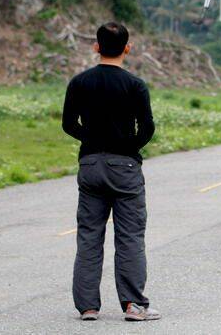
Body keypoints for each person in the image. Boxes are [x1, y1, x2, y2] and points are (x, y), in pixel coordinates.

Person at [62, 22, 160, 322]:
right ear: (127, 49)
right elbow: (147, 128)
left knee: (89, 235)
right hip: (125, 167)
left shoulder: (79, 82)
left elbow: (68, 124)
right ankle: (133, 305)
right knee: (129, 235)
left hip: (90, 164)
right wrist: (127, 147)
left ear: (96, 47)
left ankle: (88, 307)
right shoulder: (135, 85)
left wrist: (92, 140)